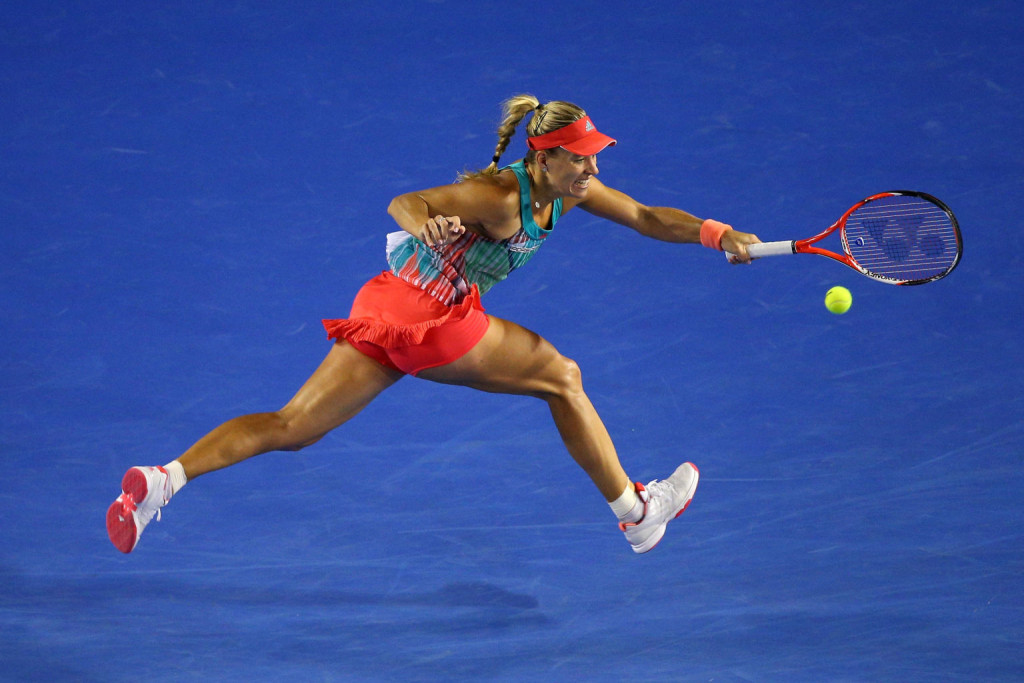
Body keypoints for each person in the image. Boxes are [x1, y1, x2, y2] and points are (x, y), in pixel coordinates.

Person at [106, 94, 760, 556]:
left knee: (292, 426)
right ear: (544, 157)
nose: (593, 168)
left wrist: (718, 232)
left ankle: (164, 479)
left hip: (386, 305)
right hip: (435, 321)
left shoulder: (570, 191)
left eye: (593, 156)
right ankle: (636, 515)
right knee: (562, 377)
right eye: (579, 158)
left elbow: (647, 217)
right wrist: (426, 222)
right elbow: (404, 201)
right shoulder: (501, 197)